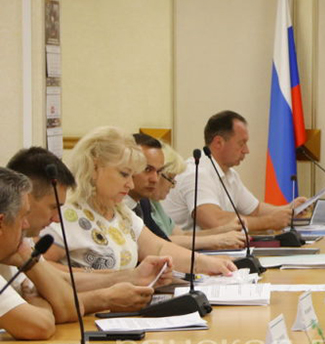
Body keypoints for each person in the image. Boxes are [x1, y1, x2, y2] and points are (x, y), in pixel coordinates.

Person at [41, 126, 236, 277]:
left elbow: (159, 247)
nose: (130, 183)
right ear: (94, 166)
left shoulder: (119, 212)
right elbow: (42, 267)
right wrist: (115, 278)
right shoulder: (66, 214)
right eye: (124, 174)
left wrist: (206, 263)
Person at [7, 147, 169, 314]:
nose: (56, 218)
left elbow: (59, 283)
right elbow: (41, 321)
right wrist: (104, 298)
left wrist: (132, 276)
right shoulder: (15, 242)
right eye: (53, 207)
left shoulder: (23, 242)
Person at [163, 110, 305, 231]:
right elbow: (214, 222)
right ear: (219, 142)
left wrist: (289, 210)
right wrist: (269, 222)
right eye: (241, 143)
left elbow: (255, 210)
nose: (246, 150)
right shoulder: (197, 173)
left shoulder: (230, 174)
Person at [135, 137, 245, 250]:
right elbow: (162, 242)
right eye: (171, 179)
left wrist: (223, 231)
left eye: (157, 172)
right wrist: (218, 240)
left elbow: (181, 235)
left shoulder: (152, 204)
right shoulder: (141, 204)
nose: (173, 186)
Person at [0, 167, 62, 339]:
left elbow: (69, 308)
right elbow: (39, 327)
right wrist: (38, 302)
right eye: (22, 217)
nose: (26, 225)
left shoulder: (10, 254)